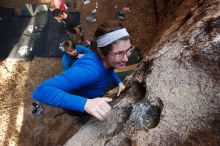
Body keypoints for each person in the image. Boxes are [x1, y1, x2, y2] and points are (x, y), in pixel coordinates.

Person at [32, 21, 133, 121]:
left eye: (128, 50)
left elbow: (108, 69)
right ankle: (80, 118)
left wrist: (118, 82)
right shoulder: (90, 71)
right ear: (102, 53)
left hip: (90, 95)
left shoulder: (107, 61)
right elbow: (41, 90)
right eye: (119, 53)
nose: (126, 59)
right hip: (76, 106)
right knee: (82, 116)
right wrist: (85, 104)